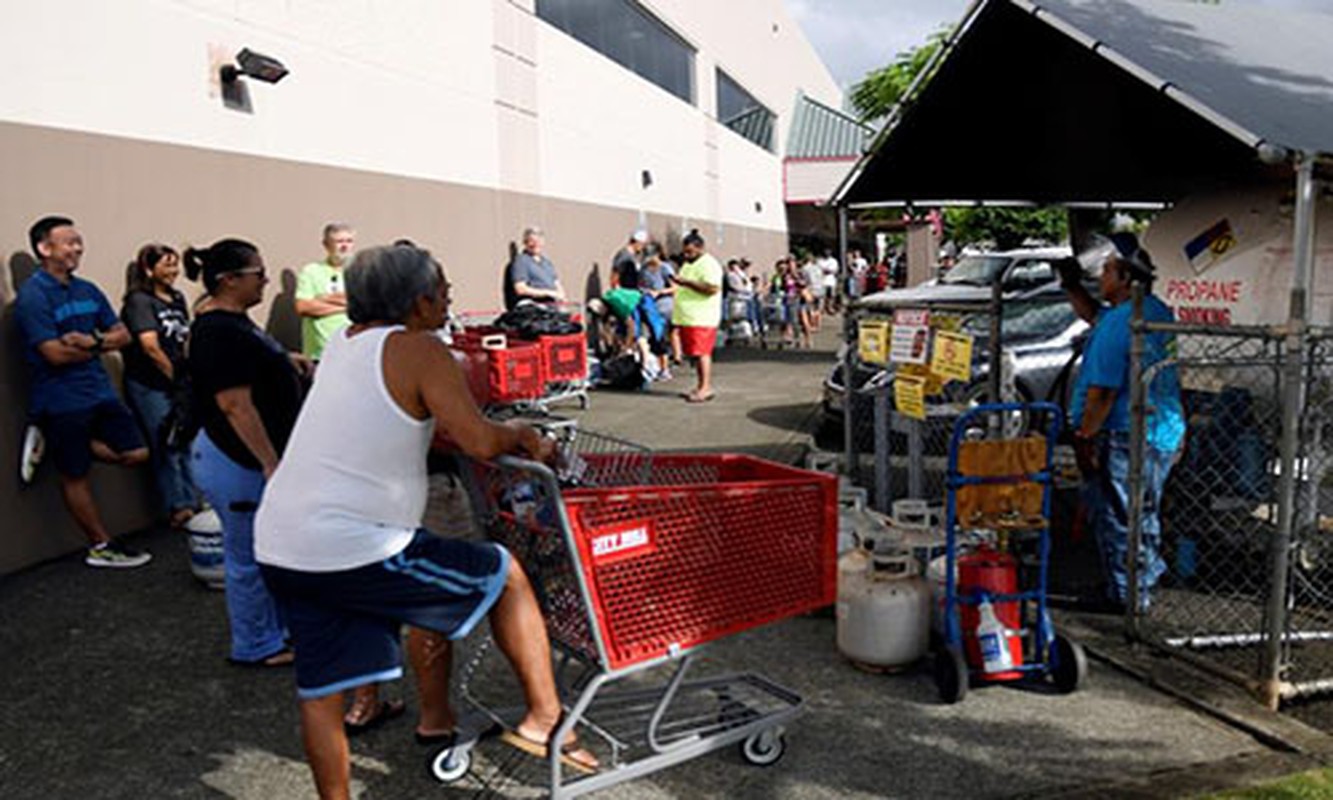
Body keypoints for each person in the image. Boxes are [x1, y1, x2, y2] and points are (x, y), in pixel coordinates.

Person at [254, 245, 598, 799]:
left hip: (283, 543)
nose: (450, 295)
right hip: (358, 545)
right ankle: (545, 717)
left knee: (322, 694)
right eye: (443, 287)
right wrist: (527, 436)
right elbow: (480, 439)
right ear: (418, 302)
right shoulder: (420, 349)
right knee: (504, 574)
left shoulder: (344, 344)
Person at [187, 238, 310, 666]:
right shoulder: (218, 330)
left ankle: (277, 631)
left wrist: (287, 361)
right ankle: (256, 644)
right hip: (236, 461)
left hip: (249, 459)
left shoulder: (235, 323)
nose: (265, 279)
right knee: (248, 557)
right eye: (259, 273)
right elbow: (234, 405)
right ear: (230, 280)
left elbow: (255, 364)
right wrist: (269, 462)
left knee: (270, 550)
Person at [14, 216, 151, 568]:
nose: (78, 248)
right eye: (69, 242)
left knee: (137, 453)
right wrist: (101, 345)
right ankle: (101, 545)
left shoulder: (87, 290)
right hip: (60, 398)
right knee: (75, 475)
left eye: (79, 241)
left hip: (99, 391)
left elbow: (124, 335)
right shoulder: (33, 296)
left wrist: (92, 341)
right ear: (45, 249)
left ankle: (57, 443)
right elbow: (54, 355)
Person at [1061, 232, 1184, 611]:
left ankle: (1125, 593)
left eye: (1107, 271)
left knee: (1118, 514)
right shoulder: (1154, 311)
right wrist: (1069, 285)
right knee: (1142, 509)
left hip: (1124, 433)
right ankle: (1141, 579)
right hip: (1160, 431)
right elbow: (1095, 316)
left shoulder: (1120, 324)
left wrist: (1084, 438)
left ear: (1126, 277)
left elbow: (1103, 392)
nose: (1101, 277)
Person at [120, 243, 203, 528]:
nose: (173, 271)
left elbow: (185, 338)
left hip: (179, 382)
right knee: (166, 443)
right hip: (151, 384)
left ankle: (194, 501)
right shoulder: (139, 301)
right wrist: (176, 379)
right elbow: (150, 348)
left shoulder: (176, 298)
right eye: (166, 265)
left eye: (175, 264)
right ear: (148, 268)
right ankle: (177, 506)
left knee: (187, 441)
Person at [669, 230, 722, 403]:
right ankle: (701, 386)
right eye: (685, 252)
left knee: (702, 353)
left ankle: (705, 387)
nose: (686, 255)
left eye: (690, 252)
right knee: (695, 354)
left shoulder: (709, 264)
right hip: (689, 317)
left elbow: (712, 288)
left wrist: (686, 283)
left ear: (700, 248)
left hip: (702, 317)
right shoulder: (689, 264)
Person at [295, 223, 355, 361]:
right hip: (319, 354)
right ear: (326, 244)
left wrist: (323, 299)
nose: (345, 246)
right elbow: (303, 307)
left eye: (349, 241)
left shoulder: (359, 272)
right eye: (339, 241)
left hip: (351, 351)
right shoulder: (311, 271)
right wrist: (346, 305)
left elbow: (363, 303)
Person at [503, 226, 565, 310]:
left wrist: (561, 299)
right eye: (532, 241)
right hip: (534, 308)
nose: (536, 244)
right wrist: (548, 293)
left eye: (538, 241)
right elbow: (520, 289)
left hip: (552, 308)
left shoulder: (547, 263)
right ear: (525, 243)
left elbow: (557, 285)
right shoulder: (521, 261)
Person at [638, 254, 676, 378]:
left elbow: (675, 288)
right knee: (648, 338)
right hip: (648, 306)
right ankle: (652, 368)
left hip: (664, 307)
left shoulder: (665, 268)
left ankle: (664, 368)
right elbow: (641, 285)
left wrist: (659, 292)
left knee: (660, 337)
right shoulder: (643, 269)